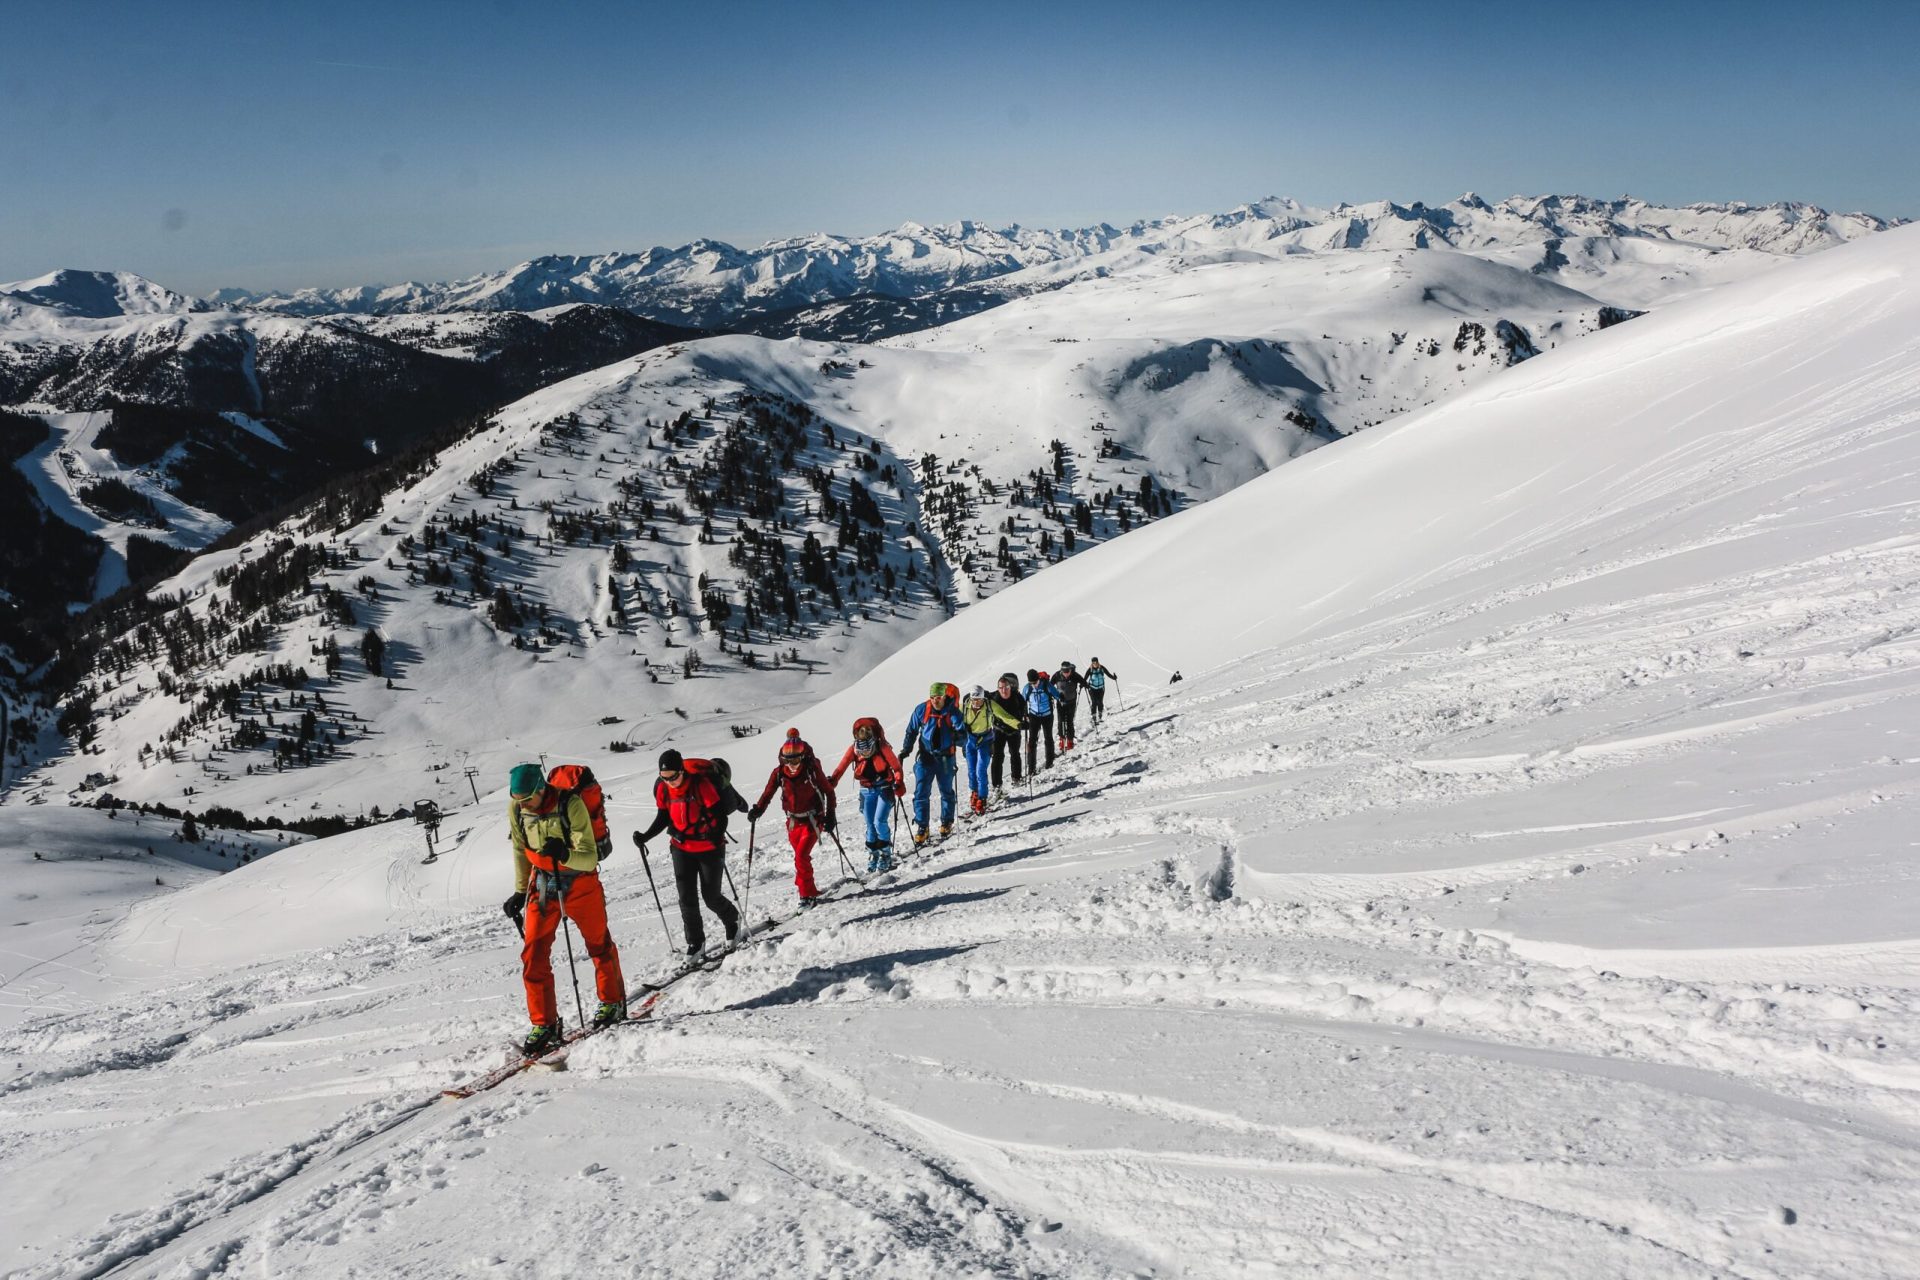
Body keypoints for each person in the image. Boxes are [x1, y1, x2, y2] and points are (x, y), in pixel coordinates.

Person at [504, 762, 626, 1055]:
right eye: (518, 800)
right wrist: (521, 891)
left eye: (527, 799)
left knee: (598, 944)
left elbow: (589, 858)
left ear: (541, 789)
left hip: (581, 883)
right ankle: (544, 1023)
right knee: (533, 954)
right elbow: (521, 850)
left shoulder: (570, 804)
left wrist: (565, 853)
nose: (523, 805)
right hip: (542, 886)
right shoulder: (518, 808)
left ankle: (612, 1003)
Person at [636, 749, 744, 960]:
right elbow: (663, 816)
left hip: (709, 848)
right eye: (664, 778)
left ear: (682, 771)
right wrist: (645, 836)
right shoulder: (664, 790)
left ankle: (732, 920)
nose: (670, 782)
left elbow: (720, 816)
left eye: (674, 776)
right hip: (681, 848)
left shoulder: (700, 785)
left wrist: (716, 834)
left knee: (711, 897)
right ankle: (695, 942)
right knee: (686, 899)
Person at [748, 729, 837, 907]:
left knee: (801, 856)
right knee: (800, 858)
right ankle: (810, 890)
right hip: (793, 822)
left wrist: (830, 815)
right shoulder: (779, 773)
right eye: (788, 760)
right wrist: (758, 809)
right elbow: (768, 793)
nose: (792, 764)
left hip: (813, 820)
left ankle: (805, 896)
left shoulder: (812, 770)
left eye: (796, 760)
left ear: (803, 757)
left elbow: (829, 791)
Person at [829, 717, 906, 871]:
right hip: (866, 791)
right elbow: (841, 767)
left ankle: (885, 854)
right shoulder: (854, 749)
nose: (865, 752)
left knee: (879, 822)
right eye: (861, 732)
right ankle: (874, 853)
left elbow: (896, 768)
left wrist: (898, 782)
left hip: (884, 788)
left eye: (866, 732)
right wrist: (832, 780)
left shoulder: (882, 747)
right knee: (871, 825)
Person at [899, 681, 965, 843]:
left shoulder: (954, 713)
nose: (935, 700)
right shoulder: (922, 710)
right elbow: (912, 731)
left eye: (939, 697)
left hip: (945, 758)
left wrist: (958, 737)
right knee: (921, 792)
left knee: (946, 791)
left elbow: (964, 738)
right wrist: (906, 750)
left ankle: (947, 821)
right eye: (932, 697)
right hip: (925, 756)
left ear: (945, 697)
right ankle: (923, 826)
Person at [960, 684, 1020, 813]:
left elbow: (1004, 716)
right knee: (971, 770)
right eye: (974, 700)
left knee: (980, 770)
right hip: (970, 741)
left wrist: (1018, 724)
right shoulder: (965, 706)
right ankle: (974, 793)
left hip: (985, 741)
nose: (976, 703)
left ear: (983, 698)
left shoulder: (989, 705)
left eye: (979, 699)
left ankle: (982, 798)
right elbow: (954, 719)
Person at [986, 673, 1027, 796]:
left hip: (1014, 731)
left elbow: (1024, 710)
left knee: (1015, 754)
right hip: (998, 731)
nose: (1003, 690)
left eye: (1006, 687)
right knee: (997, 757)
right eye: (1001, 687)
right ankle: (996, 784)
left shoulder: (1018, 697)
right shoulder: (993, 697)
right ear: (998, 688)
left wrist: (1025, 721)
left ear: (1010, 687)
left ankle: (1016, 778)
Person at [1021, 668, 1056, 774]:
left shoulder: (1046, 685)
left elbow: (1056, 694)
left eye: (1035, 682)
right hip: (1033, 716)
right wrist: (1024, 714)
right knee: (1032, 742)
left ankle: (1049, 762)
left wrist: (1062, 698)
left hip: (1047, 715)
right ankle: (1031, 769)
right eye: (1031, 683)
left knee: (1048, 738)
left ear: (1038, 679)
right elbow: (1022, 702)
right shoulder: (1027, 688)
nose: (1034, 685)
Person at [1051, 661, 1087, 753]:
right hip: (1061, 702)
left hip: (1071, 702)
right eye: (1064, 672)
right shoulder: (1057, 675)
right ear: (1061, 671)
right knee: (1061, 722)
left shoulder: (1075, 675)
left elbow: (1083, 681)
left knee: (1069, 721)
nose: (1066, 674)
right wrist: (1053, 695)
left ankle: (1070, 741)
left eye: (1068, 672)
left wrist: (1085, 685)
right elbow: (1050, 686)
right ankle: (1062, 741)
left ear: (1070, 670)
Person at [1084, 658, 1116, 726]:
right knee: (1094, 702)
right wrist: (1083, 684)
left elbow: (1108, 674)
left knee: (1100, 702)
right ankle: (1094, 717)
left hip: (1101, 688)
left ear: (1098, 662)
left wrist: (1114, 677)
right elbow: (1085, 678)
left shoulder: (1102, 668)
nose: (1095, 664)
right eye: (1093, 663)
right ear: (1092, 663)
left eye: (1096, 662)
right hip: (1092, 688)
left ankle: (1100, 716)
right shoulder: (1090, 670)